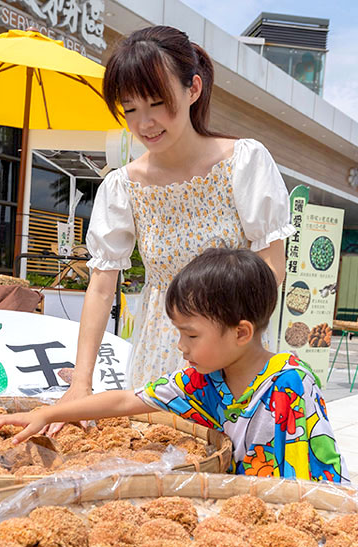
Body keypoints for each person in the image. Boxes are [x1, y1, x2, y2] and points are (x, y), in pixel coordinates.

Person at [58, 25, 294, 423]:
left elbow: (272, 267)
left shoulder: (243, 162)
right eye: (130, 108)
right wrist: (81, 381)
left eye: (157, 102)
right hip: (158, 353)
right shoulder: (122, 186)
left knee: (231, 474)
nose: (145, 122)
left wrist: (225, 336)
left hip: (231, 355)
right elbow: (100, 289)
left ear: (193, 90)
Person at [0, 249, 344, 482]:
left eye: (190, 335)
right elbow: (127, 401)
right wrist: (49, 414)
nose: (180, 346)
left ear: (241, 333)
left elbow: (304, 482)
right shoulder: (201, 379)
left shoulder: (289, 388)